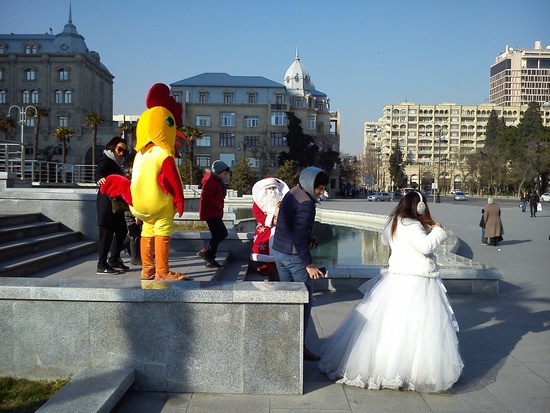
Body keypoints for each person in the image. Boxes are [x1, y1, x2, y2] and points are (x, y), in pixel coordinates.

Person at [318, 191, 463, 392]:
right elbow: (426, 246)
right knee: (419, 325)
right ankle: (415, 371)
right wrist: (437, 231)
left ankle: (385, 367)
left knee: (392, 324)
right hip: (417, 279)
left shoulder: (394, 223)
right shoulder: (412, 226)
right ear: (419, 206)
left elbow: (386, 241)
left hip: (397, 278)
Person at [272, 167, 329, 361]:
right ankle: (299, 347)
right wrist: (309, 264)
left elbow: (290, 225)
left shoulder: (293, 192)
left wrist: (309, 237)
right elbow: (297, 236)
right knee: (304, 302)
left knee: (288, 299)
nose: (321, 192)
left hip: (279, 252)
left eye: (323, 188)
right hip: (294, 257)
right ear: (310, 184)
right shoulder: (306, 203)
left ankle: (286, 342)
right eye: (319, 188)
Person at [95, 136, 129, 274]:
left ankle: (114, 259)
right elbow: (99, 171)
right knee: (106, 233)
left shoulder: (117, 163)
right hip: (106, 201)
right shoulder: (107, 159)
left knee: (122, 230)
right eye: (119, 149)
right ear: (112, 147)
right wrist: (99, 178)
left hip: (116, 203)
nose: (121, 153)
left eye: (124, 151)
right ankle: (102, 265)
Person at [251, 176, 289, 276]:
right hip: (265, 226)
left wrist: (280, 216)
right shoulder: (259, 201)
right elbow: (257, 214)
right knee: (263, 243)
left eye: (274, 188)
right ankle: (267, 264)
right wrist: (271, 220)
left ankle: (276, 265)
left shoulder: (281, 200)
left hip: (280, 227)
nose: (272, 190)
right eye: (269, 188)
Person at [197, 160, 230, 268]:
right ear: (219, 172)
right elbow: (205, 197)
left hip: (214, 212)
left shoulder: (215, 180)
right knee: (222, 233)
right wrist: (218, 205)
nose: (225, 176)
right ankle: (205, 250)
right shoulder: (211, 180)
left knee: (216, 235)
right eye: (224, 173)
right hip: (211, 213)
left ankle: (211, 259)